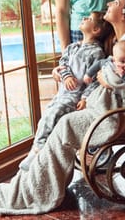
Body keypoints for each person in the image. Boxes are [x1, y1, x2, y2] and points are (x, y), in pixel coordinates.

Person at [0, 0, 125, 215]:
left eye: (116, 2)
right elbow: (99, 68)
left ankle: (32, 192)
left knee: (66, 125)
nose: (109, 3)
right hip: (114, 111)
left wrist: (111, 81)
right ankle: (26, 187)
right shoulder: (124, 39)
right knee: (62, 122)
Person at [19, 11, 113, 171]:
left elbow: (96, 79)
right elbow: (63, 64)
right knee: (47, 117)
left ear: (96, 30)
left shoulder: (96, 53)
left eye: (88, 19)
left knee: (53, 114)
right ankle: (41, 151)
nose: (83, 19)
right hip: (62, 93)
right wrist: (66, 75)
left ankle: (37, 152)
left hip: (74, 96)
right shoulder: (72, 47)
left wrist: (84, 98)